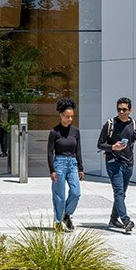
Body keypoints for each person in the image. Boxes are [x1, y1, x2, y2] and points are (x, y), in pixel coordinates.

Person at [97, 97, 136, 233]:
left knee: (122, 193)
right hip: (113, 162)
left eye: (124, 109)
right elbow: (100, 144)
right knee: (119, 192)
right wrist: (112, 147)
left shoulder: (135, 126)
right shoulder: (110, 124)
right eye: (119, 109)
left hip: (128, 163)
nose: (121, 112)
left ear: (130, 110)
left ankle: (113, 219)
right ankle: (126, 220)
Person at [47, 97, 84, 231]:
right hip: (59, 164)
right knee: (59, 195)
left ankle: (66, 214)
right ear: (61, 115)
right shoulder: (54, 132)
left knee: (76, 192)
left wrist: (81, 168)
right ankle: (58, 221)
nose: (70, 119)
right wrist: (52, 170)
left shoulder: (75, 131)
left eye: (72, 116)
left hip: (73, 163)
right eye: (67, 116)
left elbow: (78, 150)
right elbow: (50, 152)